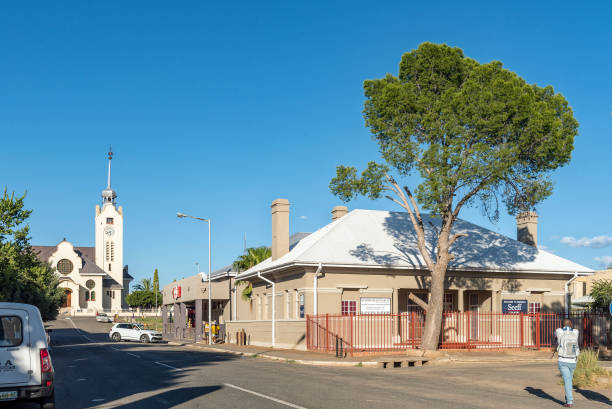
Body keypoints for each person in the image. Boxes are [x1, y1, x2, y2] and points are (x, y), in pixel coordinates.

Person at [556, 318, 580, 408]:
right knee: (569, 380)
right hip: (573, 361)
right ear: (571, 325)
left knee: (567, 381)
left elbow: (558, 334)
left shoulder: (559, 332)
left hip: (563, 361)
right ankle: (568, 399)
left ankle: (569, 401)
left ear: (562, 325)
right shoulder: (575, 332)